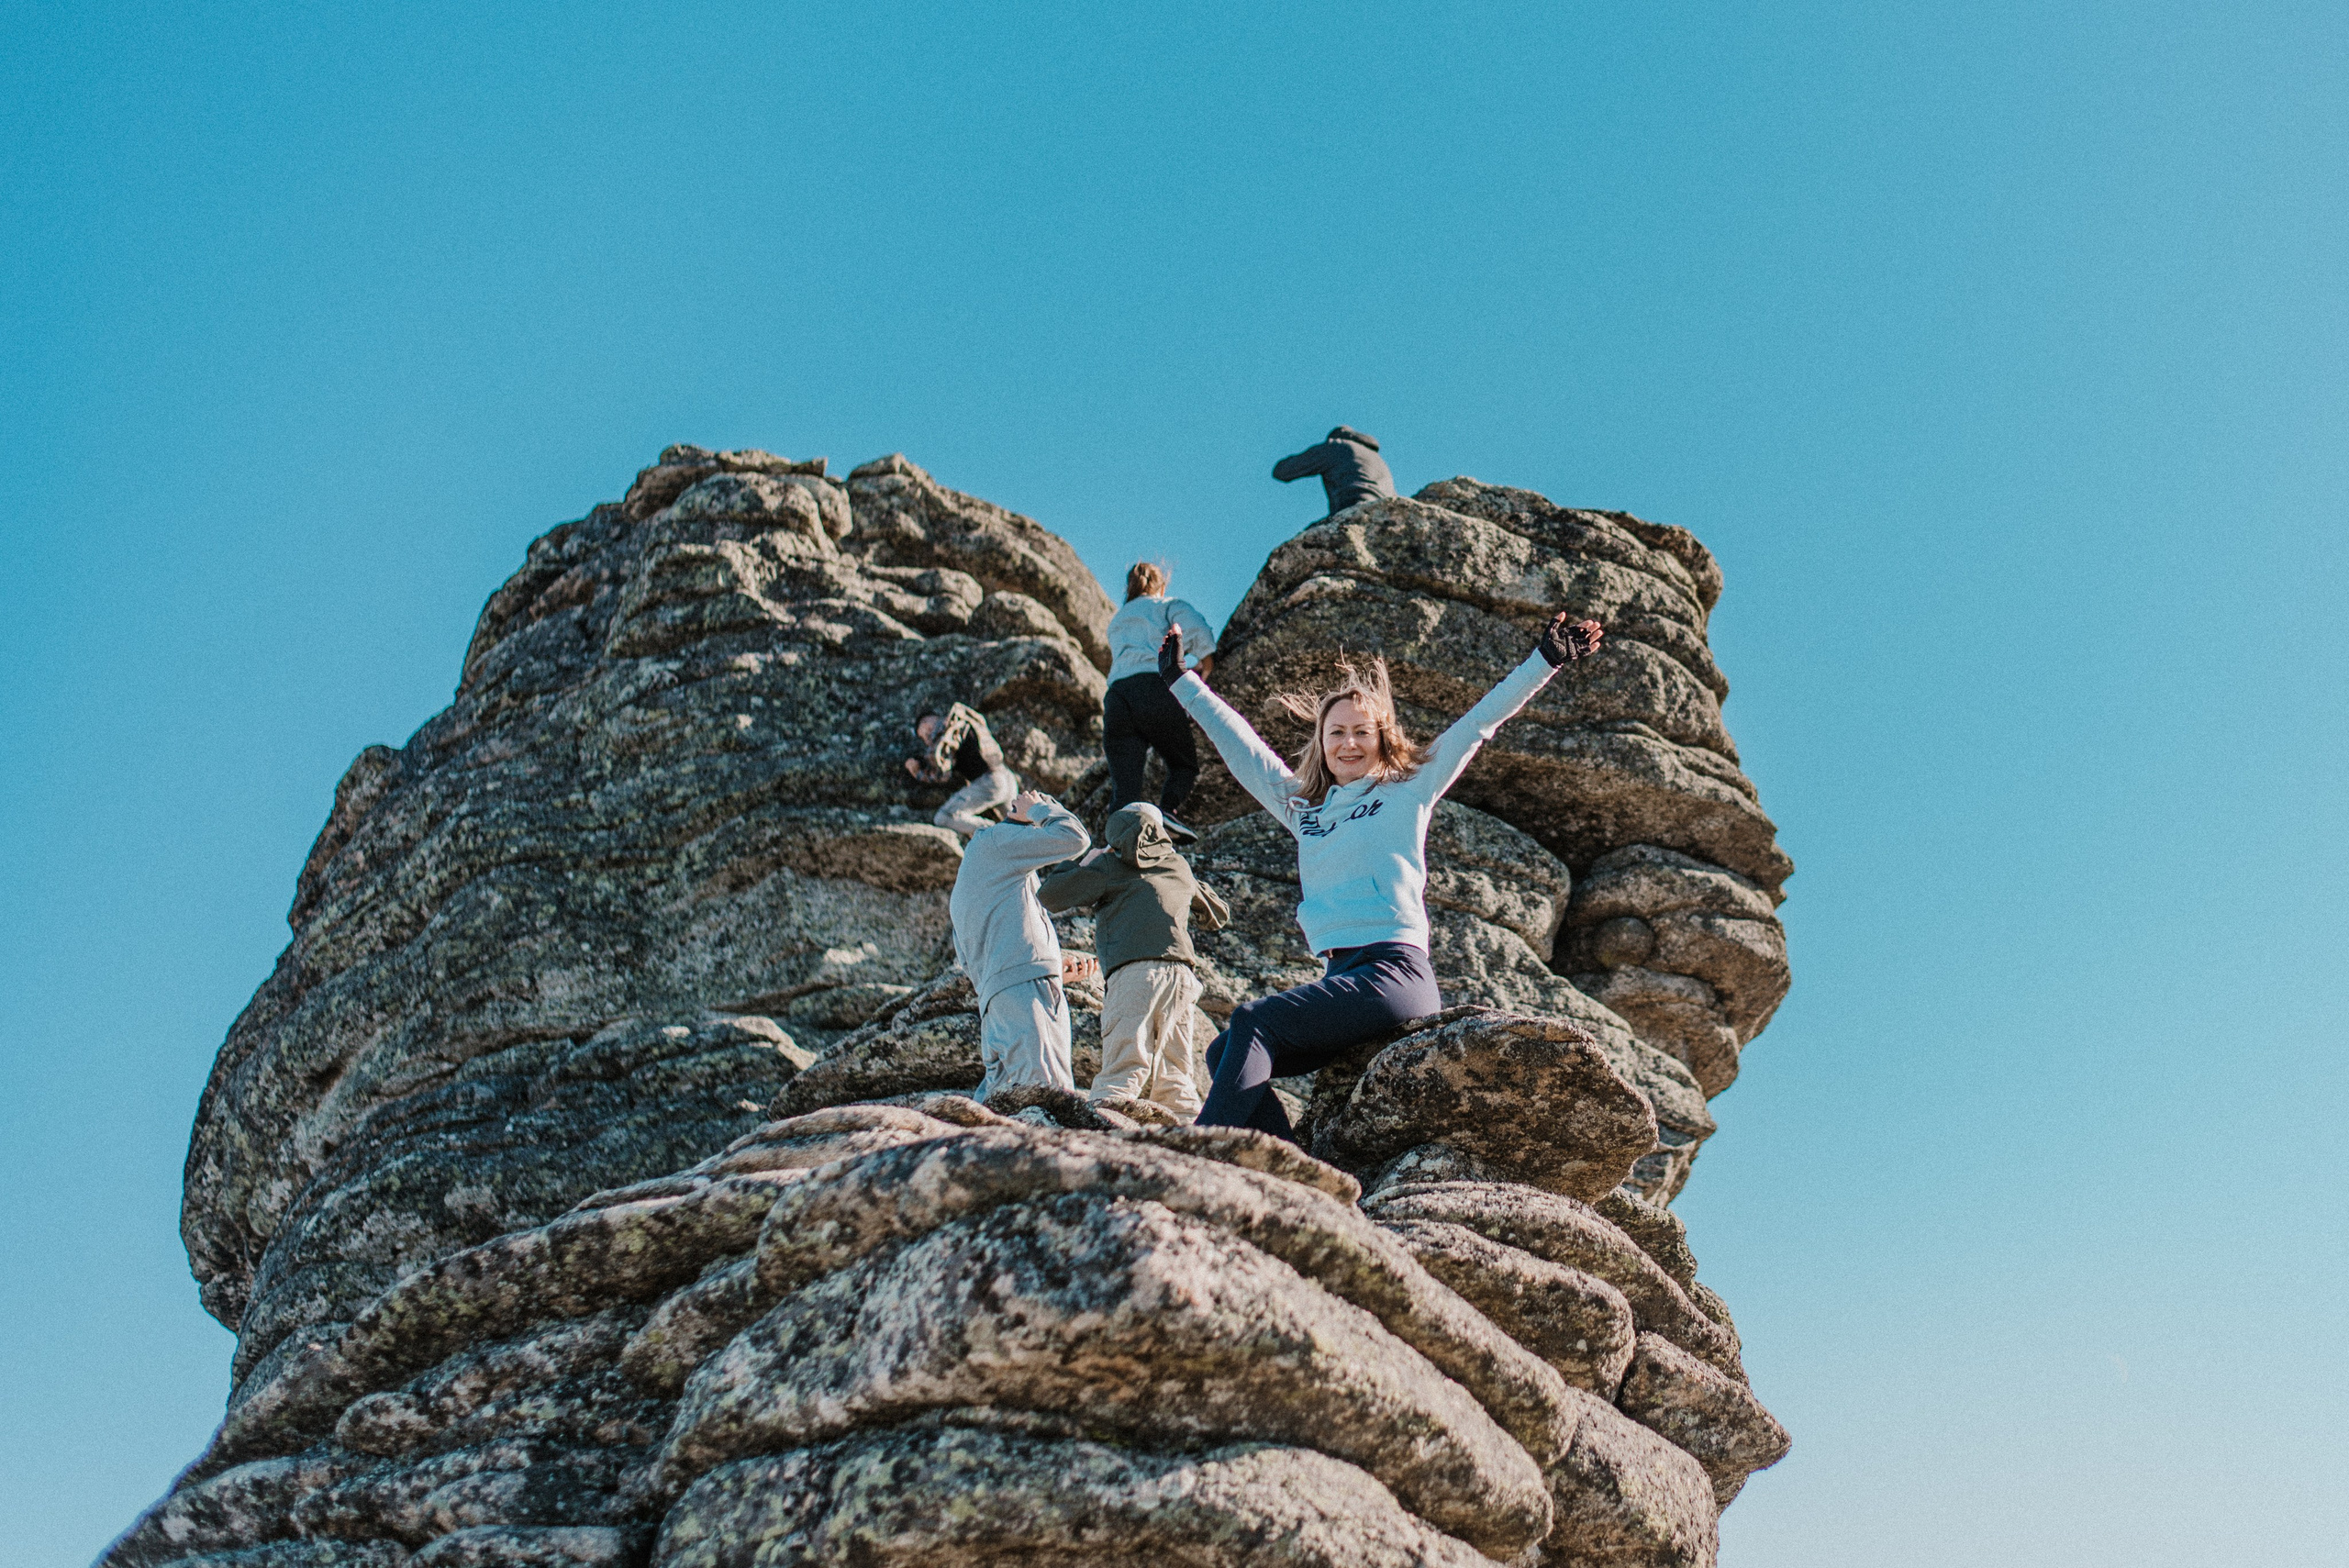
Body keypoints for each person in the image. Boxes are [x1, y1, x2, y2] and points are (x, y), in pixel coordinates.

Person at [1157, 611, 1603, 1139]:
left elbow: (1479, 723)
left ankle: (1198, 1149)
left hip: (1396, 975)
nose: (1348, 743)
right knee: (1224, 1048)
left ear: (1382, 738)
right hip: (1341, 977)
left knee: (1254, 1021)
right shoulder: (1306, 810)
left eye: (1361, 732)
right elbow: (1243, 748)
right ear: (1321, 742)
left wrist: (1544, 661)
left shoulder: (1408, 789)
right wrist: (1181, 682)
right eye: (1336, 732)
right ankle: (1288, 1164)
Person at [1039, 802, 1232, 1119]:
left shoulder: (1109, 866)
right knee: (1175, 1074)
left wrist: (1086, 860)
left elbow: (1051, 895)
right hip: (1181, 976)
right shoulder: (1178, 865)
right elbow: (1218, 914)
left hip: (1134, 974)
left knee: (1123, 1068)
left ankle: (1101, 1130)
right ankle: (1189, 1136)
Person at [949, 788, 1093, 1102]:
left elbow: (970, 959)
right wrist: (1041, 809)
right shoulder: (998, 843)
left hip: (996, 1006)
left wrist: (1051, 967)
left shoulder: (977, 871)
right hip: (1026, 998)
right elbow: (1075, 838)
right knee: (1050, 1097)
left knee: (997, 1107)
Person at [1101, 562, 1217, 841]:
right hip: (1154, 687)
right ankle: (1167, 812)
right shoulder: (1165, 605)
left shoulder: (1118, 621)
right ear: (1160, 585)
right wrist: (1207, 662)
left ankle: (1115, 846)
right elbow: (1195, 628)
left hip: (1117, 696)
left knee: (1125, 789)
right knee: (1183, 764)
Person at [906, 703, 1019, 838]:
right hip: (1007, 777)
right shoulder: (966, 719)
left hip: (990, 782)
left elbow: (942, 772)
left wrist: (917, 770)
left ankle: (996, 833)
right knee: (1018, 830)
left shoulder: (946, 730)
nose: (927, 739)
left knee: (944, 817)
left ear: (927, 724)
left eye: (924, 735)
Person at [1272, 426, 1397, 517]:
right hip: (1383, 513)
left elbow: (1282, 471)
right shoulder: (1378, 460)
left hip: (1353, 506)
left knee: (1313, 539)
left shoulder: (1337, 447)